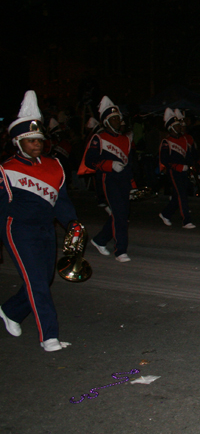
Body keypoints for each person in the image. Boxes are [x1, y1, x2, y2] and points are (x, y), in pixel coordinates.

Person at [1, 91, 80, 352]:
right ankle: (49, 336)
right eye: (30, 141)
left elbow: (62, 202)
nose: (37, 145)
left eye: (39, 140)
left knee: (43, 279)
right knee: (36, 281)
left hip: (46, 230)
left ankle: (10, 311)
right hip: (19, 229)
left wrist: (72, 224)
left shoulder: (55, 166)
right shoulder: (7, 169)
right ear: (18, 143)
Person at [79, 96, 134, 263]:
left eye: (119, 118)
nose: (118, 121)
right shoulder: (99, 138)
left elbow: (130, 164)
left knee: (122, 215)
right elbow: (90, 160)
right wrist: (109, 165)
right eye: (114, 119)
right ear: (106, 122)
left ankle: (100, 240)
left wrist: (133, 186)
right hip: (108, 179)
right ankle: (120, 251)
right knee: (119, 215)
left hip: (123, 180)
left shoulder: (125, 139)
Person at [158, 108, 196, 229]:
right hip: (174, 172)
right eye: (177, 126)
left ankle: (165, 213)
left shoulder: (184, 140)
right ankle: (186, 220)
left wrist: (190, 166)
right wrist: (178, 167)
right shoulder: (166, 142)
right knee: (181, 195)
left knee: (179, 195)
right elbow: (164, 160)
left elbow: (189, 155)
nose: (180, 128)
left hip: (184, 171)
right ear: (171, 128)